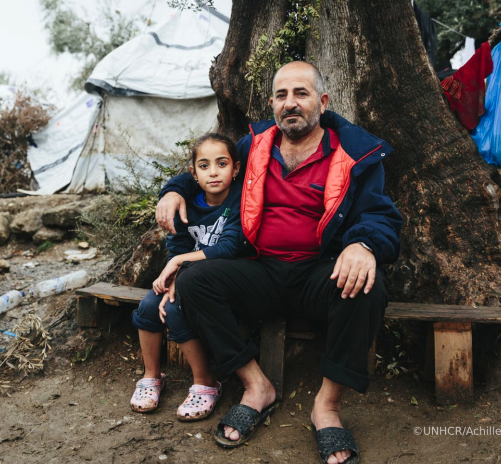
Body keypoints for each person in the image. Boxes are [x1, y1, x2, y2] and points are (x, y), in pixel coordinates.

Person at [156, 62, 402, 464]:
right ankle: (257, 386)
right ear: (272, 103)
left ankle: (327, 406)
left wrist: (364, 245)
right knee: (196, 280)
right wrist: (173, 191)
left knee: (367, 287)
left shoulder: (354, 153)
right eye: (282, 95)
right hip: (260, 270)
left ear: (322, 102)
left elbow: (382, 217)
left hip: (318, 273)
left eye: (301, 94)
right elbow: (209, 166)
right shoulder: (254, 145)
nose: (291, 104)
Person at [130, 133, 244, 422]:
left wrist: (179, 268)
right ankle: (151, 376)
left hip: (218, 281)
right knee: (147, 307)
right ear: (193, 173)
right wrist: (170, 277)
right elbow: (177, 246)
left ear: (236, 168)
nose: (214, 172)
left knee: (172, 309)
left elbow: (230, 248)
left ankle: (206, 380)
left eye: (222, 163)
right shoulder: (187, 203)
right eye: (204, 166)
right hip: (183, 274)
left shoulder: (240, 201)